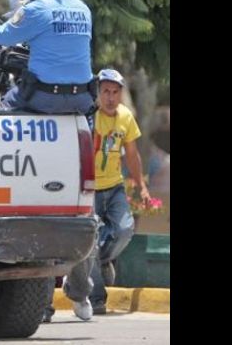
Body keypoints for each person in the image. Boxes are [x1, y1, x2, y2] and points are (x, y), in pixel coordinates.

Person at [0, 0, 97, 322]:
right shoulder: (84, 9)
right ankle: (80, 294)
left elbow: (0, 35)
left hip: (43, 98)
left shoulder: (37, 9)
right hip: (80, 101)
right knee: (85, 209)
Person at [88, 68, 150, 314]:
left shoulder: (125, 117)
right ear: (98, 93)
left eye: (115, 92)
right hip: (89, 189)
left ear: (121, 94)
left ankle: (103, 260)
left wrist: (141, 186)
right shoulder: (88, 117)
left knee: (125, 229)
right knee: (89, 241)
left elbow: (132, 156)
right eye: (106, 92)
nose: (111, 97)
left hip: (113, 186)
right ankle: (96, 298)